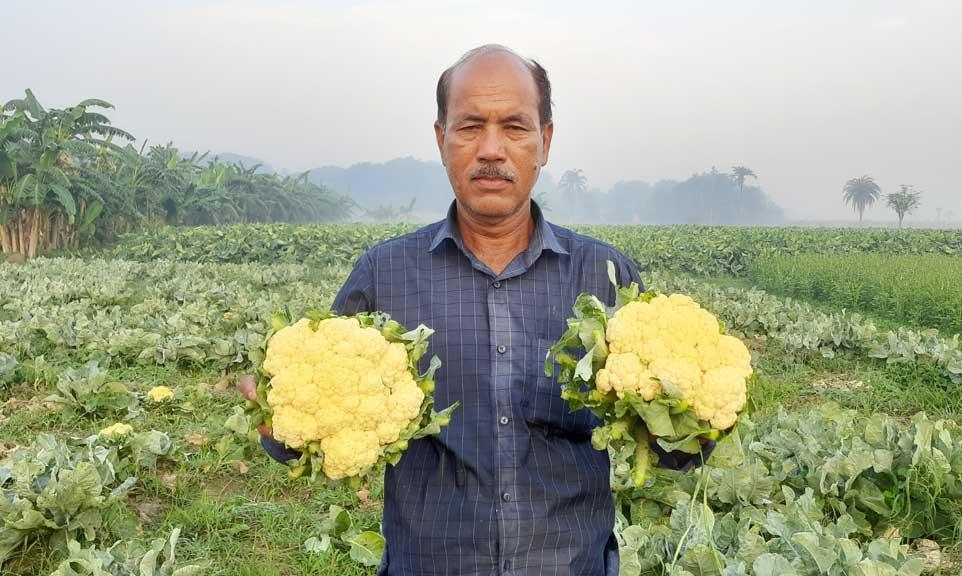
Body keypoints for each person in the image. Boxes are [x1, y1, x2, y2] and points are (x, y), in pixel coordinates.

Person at [240, 44, 713, 576]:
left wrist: (693, 413)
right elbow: (307, 436)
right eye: (469, 127)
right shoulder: (384, 273)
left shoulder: (605, 278)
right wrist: (275, 414)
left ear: (545, 141)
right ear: (442, 140)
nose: (491, 149)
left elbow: (676, 451)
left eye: (514, 126)